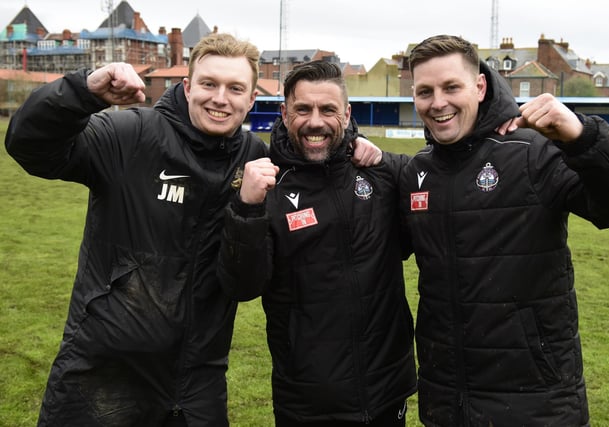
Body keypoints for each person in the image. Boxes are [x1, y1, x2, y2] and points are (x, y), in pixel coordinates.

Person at [4, 32, 272, 427]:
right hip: (104, 375)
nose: (220, 98)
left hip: (198, 383)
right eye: (209, 84)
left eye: (235, 88)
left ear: (251, 99)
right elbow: (30, 147)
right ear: (188, 87)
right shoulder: (130, 134)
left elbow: (244, 284)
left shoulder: (253, 160)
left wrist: (249, 209)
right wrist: (83, 91)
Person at [399, 34, 609, 426]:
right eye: (425, 91)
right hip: (447, 399)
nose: (437, 102)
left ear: (479, 87)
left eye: (451, 87)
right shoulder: (417, 173)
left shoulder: (533, 151)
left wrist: (583, 137)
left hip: (536, 400)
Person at [217, 60, 416, 426]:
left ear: (346, 113)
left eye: (328, 110)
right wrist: (246, 209)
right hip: (308, 399)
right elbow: (242, 286)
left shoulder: (380, 174)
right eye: (303, 109)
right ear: (284, 112)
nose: (315, 121)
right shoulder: (267, 186)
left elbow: (451, 172)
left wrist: (501, 119)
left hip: (388, 389)